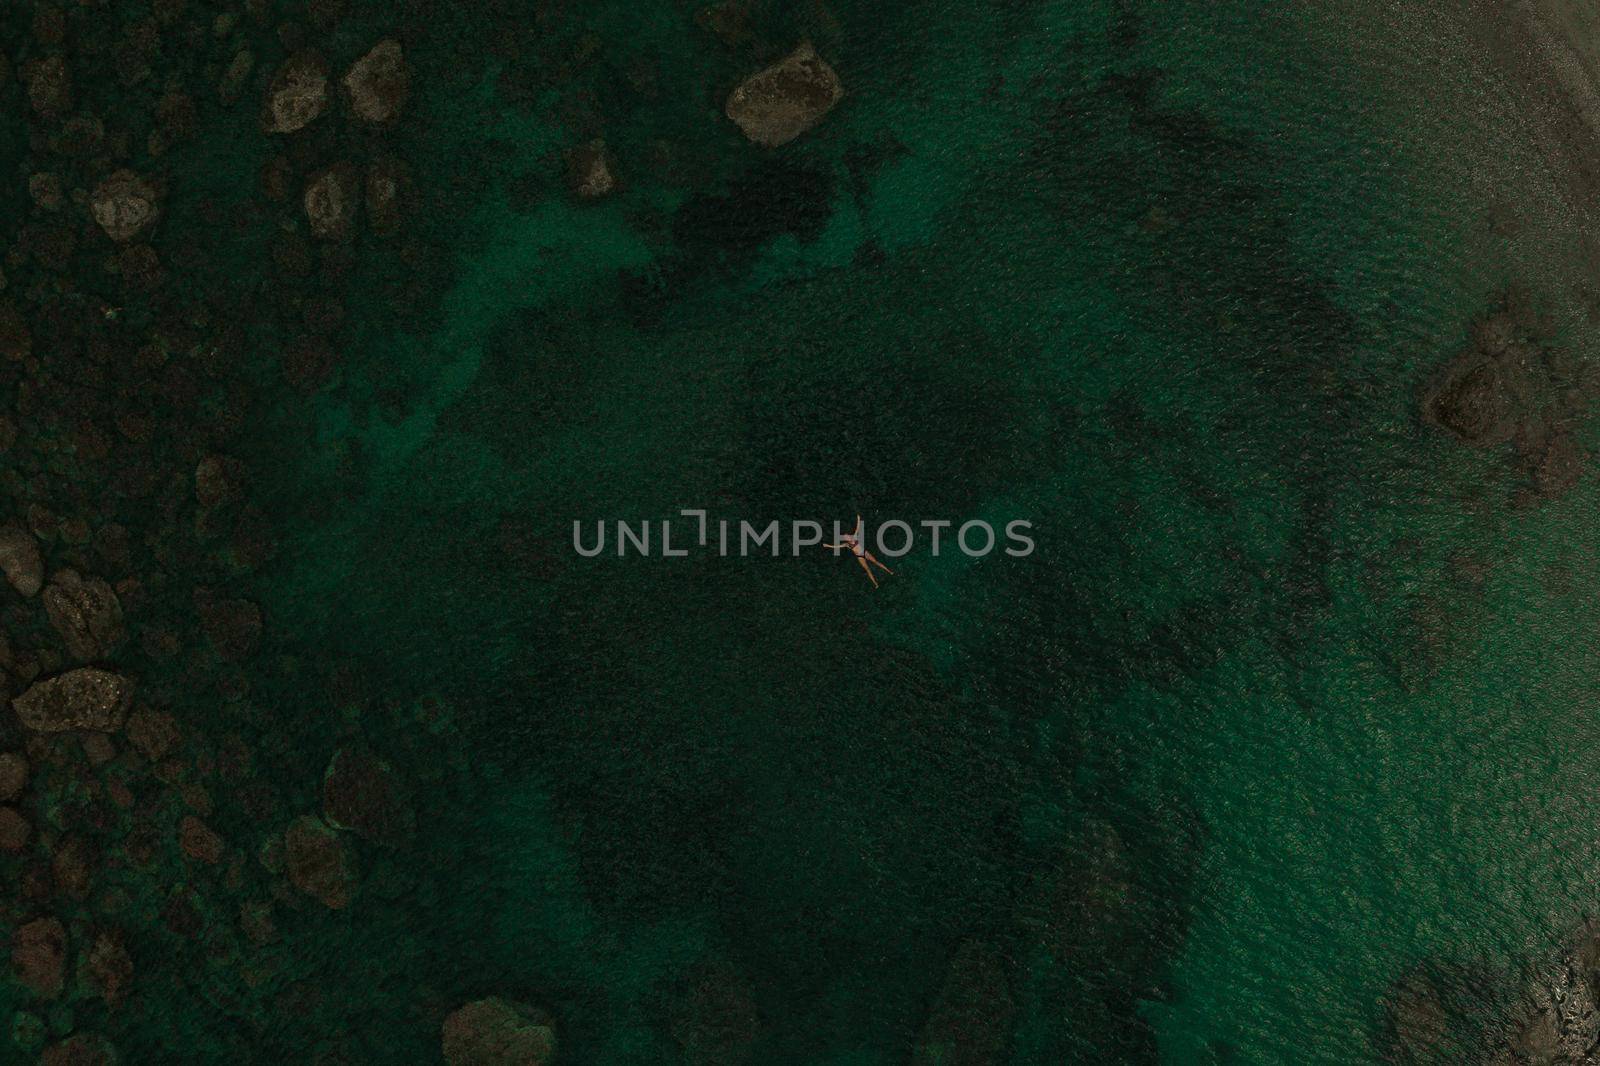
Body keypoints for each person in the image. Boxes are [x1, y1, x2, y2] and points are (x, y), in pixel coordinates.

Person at [826, 516, 894, 588]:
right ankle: (875, 583)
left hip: (864, 552)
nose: (847, 536)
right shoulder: (847, 544)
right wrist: (828, 546)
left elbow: (857, 528)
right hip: (859, 557)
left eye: (847, 535)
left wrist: (858, 519)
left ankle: (889, 571)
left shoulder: (854, 537)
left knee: (875, 561)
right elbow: (837, 546)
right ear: (846, 539)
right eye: (846, 537)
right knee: (867, 569)